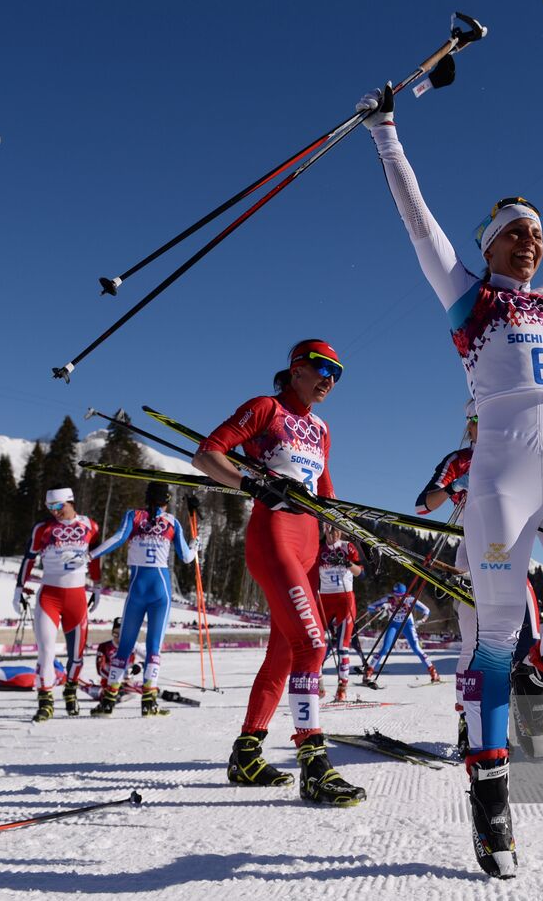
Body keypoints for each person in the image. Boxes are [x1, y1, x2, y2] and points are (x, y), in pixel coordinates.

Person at [360, 85, 543, 875]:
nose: (530, 244)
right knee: (492, 637)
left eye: (536, 235)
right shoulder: (468, 296)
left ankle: (530, 675)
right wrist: (386, 133)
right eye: (515, 233)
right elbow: (419, 221)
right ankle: (491, 804)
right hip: (501, 481)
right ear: (488, 245)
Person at [192, 338, 366, 806]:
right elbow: (206, 454)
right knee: (313, 643)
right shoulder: (266, 409)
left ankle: (247, 754)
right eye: (323, 368)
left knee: (286, 653)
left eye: (337, 373)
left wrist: (338, 524)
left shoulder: (322, 429)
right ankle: (314, 764)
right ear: (296, 369)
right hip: (274, 536)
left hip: (310, 543)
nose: (330, 379)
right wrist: (252, 485)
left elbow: (324, 488)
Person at [414, 406, 543, 756]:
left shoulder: (515, 456)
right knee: (474, 643)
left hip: (509, 551)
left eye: (488, 420)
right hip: (472, 552)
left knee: (524, 640)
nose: (479, 427)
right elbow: (423, 506)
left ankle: (521, 726)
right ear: (469, 426)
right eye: (474, 421)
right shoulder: (459, 460)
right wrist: (455, 486)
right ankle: (468, 722)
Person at [87, 482, 196, 718]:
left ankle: (108, 701)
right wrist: (195, 545)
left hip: (137, 590)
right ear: (166, 501)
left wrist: (90, 555)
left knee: (124, 647)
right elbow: (187, 558)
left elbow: (118, 538)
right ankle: (149, 703)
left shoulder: (134, 516)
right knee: (154, 648)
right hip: (161, 591)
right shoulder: (172, 522)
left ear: (147, 499)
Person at [14, 487, 102, 722]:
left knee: (77, 656)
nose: (54, 512)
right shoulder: (43, 528)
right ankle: (45, 702)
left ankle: (70, 690)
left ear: (70, 502)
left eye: (58, 506)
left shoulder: (90, 526)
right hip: (49, 597)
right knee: (46, 652)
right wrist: (19, 588)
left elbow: (96, 558)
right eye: (49, 507)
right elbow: (28, 559)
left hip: (77, 598)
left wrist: (97, 587)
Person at [318, 525, 364, 702]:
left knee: (342, 646)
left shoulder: (347, 547)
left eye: (338, 530)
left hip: (345, 599)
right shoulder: (319, 549)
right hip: (324, 599)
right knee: (317, 643)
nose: (335, 534)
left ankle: (342, 687)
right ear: (325, 530)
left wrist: (347, 563)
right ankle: (318, 684)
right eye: (331, 530)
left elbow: (360, 573)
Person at [364, 584, 438, 683]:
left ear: (405, 594)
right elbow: (370, 607)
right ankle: (368, 672)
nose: (399, 598)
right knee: (385, 648)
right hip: (393, 625)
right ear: (393, 594)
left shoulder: (410, 600)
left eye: (401, 596)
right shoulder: (388, 600)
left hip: (407, 625)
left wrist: (422, 620)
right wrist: (380, 608)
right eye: (396, 595)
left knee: (416, 648)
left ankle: (433, 672)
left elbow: (426, 610)